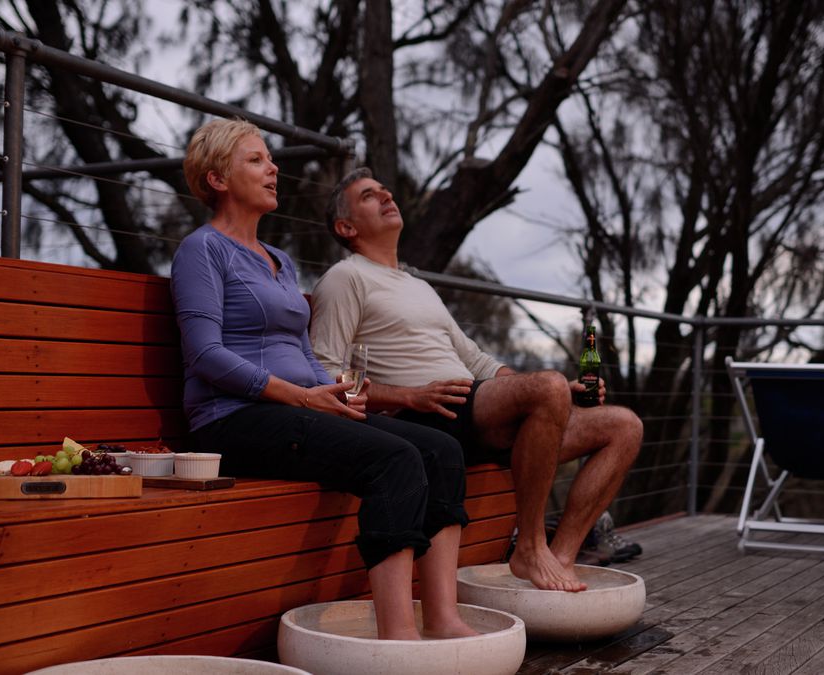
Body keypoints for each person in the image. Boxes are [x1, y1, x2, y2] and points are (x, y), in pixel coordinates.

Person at [172, 121, 474, 640]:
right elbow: (205, 354)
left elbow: (304, 352)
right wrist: (302, 397)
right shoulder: (202, 250)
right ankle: (397, 639)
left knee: (439, 449)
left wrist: (345, 400)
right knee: (394, 458)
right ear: (218, 178)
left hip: (296, 409)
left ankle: (443, 618)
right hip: (234, 419)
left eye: (270, 160)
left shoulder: (280, 262)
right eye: (256, 160)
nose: (273, 169)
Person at [310, 168, 644, 593]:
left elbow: (479, 361)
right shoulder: (346, 278)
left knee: (624, 426)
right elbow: (325, 371)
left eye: (385, 190)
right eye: (369, 195)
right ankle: (529, 545)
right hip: (430, 418)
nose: (386, 195)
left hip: (475, 406)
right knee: (549, 386)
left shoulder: (417, 285)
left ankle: (562, 556)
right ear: (346, 226)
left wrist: (557, 396)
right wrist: (407, 397)